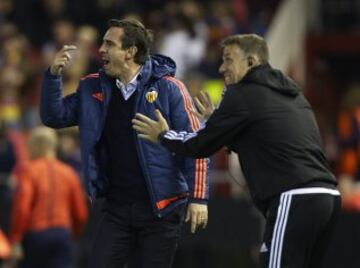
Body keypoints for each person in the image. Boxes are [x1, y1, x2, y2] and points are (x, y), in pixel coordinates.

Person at [132, 34, 341, 268]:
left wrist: (163, 135)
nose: (222, 68)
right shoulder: (292, 94)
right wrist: (220, 123)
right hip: (328, 197)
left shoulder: (241, 94)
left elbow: (200, 144)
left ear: (251, 62)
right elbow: (269, 139)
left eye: (229, 60)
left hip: (295, 197)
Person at [40, 18, 209, 268]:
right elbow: (54, 116)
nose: (101, 50)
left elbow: (197, 143)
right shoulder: (92, 87)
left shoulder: (170, 88)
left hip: (160, 210)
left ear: (130, 52)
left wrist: (199, 198)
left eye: (109, 44)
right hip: (117, 207)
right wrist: (53, 76)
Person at [9, 126, 88, 268]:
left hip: (35, 235)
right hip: (62, 233)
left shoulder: (27, 171)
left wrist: (16, 238)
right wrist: (73, 234)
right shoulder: (68, 172)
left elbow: (22, 207)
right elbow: (80, 212)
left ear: (34, 146)